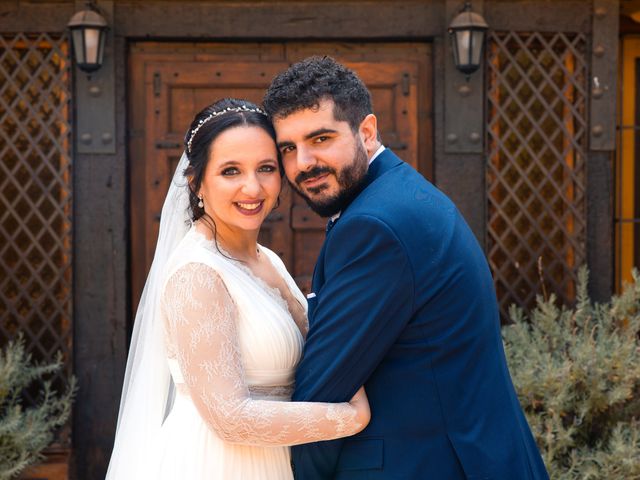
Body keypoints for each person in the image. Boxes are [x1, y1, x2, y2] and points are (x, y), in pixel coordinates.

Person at [263, 56, 549, 479]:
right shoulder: (395, 194)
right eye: (288, 148)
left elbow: (321, 395)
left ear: (367, 130)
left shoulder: (375, 226)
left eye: (320, 139)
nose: (302, 163)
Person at [105, 98, 370, 479]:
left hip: (271, 462)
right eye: (231, 171)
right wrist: (349, 418)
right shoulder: (197, 274)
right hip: (216, 464)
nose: (253, 187)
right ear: (197, 183)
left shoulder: (265, 259)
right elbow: (230, 417)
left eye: (266, 168)